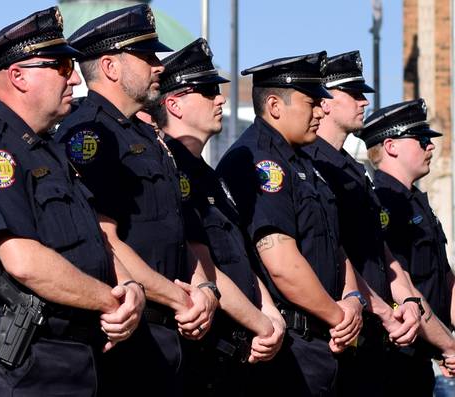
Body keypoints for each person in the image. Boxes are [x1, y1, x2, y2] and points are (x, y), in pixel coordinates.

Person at [0, 7, 145, 396]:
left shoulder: (46, 150)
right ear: (17, 76)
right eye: (60, 66)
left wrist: (131, 287)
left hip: (74, 349)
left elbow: (94, 239)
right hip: (27, 358)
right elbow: (24, 261)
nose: (72, 77)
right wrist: (110, 300)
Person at [56, 6, 220, 396]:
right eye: (146, 58)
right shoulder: (89, 133)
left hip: (173, 327)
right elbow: (104, 239)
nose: (159, 66)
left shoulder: (147, 136)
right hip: (132, 330)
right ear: (111, 67)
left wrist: (206, 292)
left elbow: (178, 232)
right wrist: (181, 298)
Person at [215, 52, 364, 396]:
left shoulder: (304, 162)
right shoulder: (260, 159)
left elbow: (334, 246)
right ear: (274, 105)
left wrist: (353, 299)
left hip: (323, 338)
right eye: (310, 103)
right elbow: (281, 263)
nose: (320, 111)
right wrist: (339, 317)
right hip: (290, 347)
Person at [151, 38, 286, 396]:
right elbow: (202, 262)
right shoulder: (166, 168)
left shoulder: (211, 176)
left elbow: (240, 256)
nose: (221, 99)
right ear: (174, 103)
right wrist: (263, 324)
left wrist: (271, 313)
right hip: (205, 351)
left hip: (240, 349)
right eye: (208, 91)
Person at [302, 51, 428, 396]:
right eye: (353, 93)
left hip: (375, 334)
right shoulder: (313, 164)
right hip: (343, 332)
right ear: (325, 102)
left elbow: (380, 250)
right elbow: (338, 250)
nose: (363, 101)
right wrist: (386, 312)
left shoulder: (353, 169)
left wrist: (408, 304)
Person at [359, 98, 455, 396]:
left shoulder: (414, 200)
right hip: (395, 357)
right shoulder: (384, 204)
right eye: (422, 139)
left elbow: (444, 277)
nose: (431, 146)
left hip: (422, 354)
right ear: (391, 146)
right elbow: (403, 288)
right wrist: (448, 347)